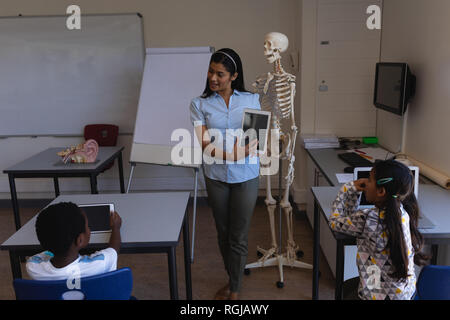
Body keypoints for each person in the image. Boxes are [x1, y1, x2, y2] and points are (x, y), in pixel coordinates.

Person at [190, 48, 260, 300]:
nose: (213, 77)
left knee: (238, 235)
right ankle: (233, 275)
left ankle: (235, 289)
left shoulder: (251, 100)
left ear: (234, 76)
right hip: (216, 176)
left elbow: (255, 140)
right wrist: (232, 155)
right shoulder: (199, 104)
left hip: (247, 176)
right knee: (223, 233)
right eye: (211, 71)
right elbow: (205, 145)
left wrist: (245, 153)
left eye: (220, 73)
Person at [329, 160, 428, 300]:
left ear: (381, 191)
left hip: (375, 293)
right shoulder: (404, 214)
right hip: (405, 293)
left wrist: (348, 188)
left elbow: (334, 222)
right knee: (354, 283)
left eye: (369, 180)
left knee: (345, 288)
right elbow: (352, 219)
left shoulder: (367, 218)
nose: (365, 182)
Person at [26, 202, 122, 281]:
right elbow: (113, 250)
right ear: (80, 240)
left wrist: (54, 244)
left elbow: (45, 254)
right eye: (88, 226)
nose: (89, 229)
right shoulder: (99, 264)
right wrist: (116, 228)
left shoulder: (33, 267)